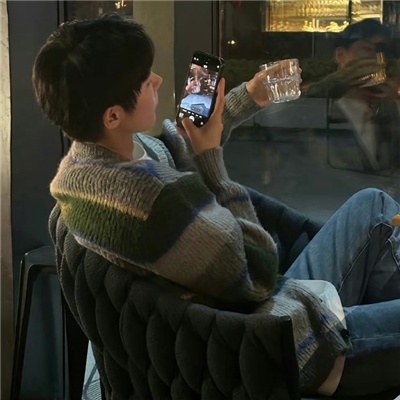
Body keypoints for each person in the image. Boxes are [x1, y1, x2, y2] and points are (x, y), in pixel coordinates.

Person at [33, 15, 400, 397]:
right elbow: (259, 271)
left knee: (372, 204)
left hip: (267, 312)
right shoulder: (153, 206)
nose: (157, 80)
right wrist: (214, 166)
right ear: (112, 115)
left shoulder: (90, 168)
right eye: (144, 80)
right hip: (282, 346)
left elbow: (178, 148)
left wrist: (250, 96)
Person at [304, 19, 400, 173]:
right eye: (367, 49)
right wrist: (336, 83)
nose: (376, 58)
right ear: (341, 55)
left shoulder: (388, 109)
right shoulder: (316, 107)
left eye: (382, 50)